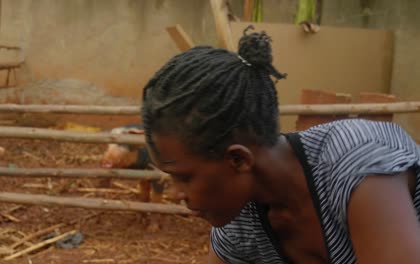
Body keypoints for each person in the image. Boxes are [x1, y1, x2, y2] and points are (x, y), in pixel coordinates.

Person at [140, 25, 420, 264]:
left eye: (184, 177)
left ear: (238, 160)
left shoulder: (356, 165)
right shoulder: (241, 225)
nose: (175, 194)